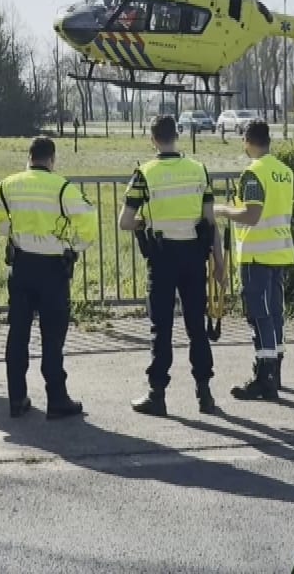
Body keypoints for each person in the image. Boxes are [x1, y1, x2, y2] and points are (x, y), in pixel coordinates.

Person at [0, 136, 97, 420]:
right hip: (53, 268)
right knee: (52, 336)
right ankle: (56, 399)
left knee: (18, 334)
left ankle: (17, 398)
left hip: (22, 266)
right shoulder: (63, 187)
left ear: (28, 158)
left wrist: (9, 230)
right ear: (52, 160)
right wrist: (73, 246)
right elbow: (88, 223)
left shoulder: (10, 184)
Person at [119, 114, 229, 416]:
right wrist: (220, 264)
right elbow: (211, 222)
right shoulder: (198, 170)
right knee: (196, 325)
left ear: (152, 139)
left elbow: (125, 221)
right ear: (176, 135)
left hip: (162, 257)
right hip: (194, 258)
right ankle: (205, 394)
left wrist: (147, 221)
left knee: (162, 327)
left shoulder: (144, 173)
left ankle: (158, 395)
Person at [223, 120, 294, 402]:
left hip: (257, 254)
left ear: (247, 140)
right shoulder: (284, 172)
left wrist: (224, 211)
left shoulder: (253, 174)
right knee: (275, 313)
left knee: (259, 315)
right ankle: (275, 371)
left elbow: (251, 215)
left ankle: (264, 378)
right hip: (280, 251)